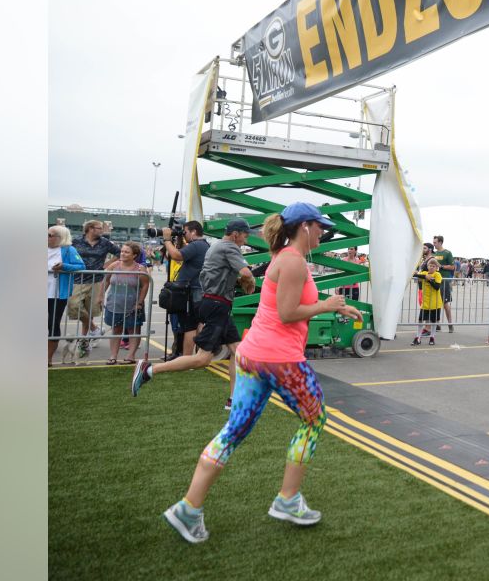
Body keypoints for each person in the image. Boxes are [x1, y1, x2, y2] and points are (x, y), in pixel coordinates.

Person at [159, 204, 359, 544]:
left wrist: (333, 304)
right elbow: (287, 312)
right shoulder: (293, 260)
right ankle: (288, 500)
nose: (323, 233)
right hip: (280, 359)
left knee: (233, 431)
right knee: (313, 420)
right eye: (319, 227)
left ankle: (189, 509)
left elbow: (290, 301)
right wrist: (326, 306)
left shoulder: (285, 256)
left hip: (253, 356)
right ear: (305, 226)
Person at [135, 219, 255, 407]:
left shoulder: (215, 246)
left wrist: (237, 282)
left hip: (214, 303)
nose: (245, 241)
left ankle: (234, 399)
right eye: (245, 236)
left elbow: (217, 275)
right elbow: (247, 273)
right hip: (217, 305)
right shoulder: (230, 247)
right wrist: (249, 281)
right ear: (235, 234)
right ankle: (149, 370)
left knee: (238, 351)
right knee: (202, 359)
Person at [68, 219, 122, 347]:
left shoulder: (105, 243)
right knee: (74, 305)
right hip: (77, 279)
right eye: (99, 228)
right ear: (90, 229)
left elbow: (119, 253)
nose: (102, 231)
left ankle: (84, 338)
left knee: (90, 310)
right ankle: (94, 329)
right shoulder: (75, 241)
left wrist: (108, 265)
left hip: (96, 280)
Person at [162, 221, 210, 357]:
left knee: (190, 326)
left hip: (192, 291)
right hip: (196, 289)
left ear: (193, 232)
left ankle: (187, 357)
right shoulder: (203, 245)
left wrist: (166, 239)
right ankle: (198, 355)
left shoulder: (197, 245)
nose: (184, 235)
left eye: (186, 232)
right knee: (198, 323)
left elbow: (176, 256)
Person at [99, 241, 150, 365]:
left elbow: (145, 285)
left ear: (134, 255)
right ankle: (113, 356)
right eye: (122, 251)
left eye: (127, 252)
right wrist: (100, 297)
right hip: (114, 304)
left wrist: (140, 302)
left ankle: (131, 356)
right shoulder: (114, 265)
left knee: (133, 331)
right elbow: (105, 281)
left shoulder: (140, 269)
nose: (123, 253)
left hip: (133, 306)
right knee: (116, 330)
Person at [48, 225, 86, 365]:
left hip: (57, 293)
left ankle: (48, 358)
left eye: (49, 235)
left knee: (52, 324)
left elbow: (81, 266)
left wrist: (64, 266)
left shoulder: (68, 250)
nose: (46, 237)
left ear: (60, 238)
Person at [412, 258, 444, 345]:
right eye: (430, 265)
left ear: (436, 267)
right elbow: (416, 275)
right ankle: (418, 337)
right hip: (425, 303)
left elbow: (437, 287)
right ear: (427, 266)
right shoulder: (424, 273)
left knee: (434, 321)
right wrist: (425, 276)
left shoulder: (437, 274)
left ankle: (432, 337)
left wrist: (429, 280)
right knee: (420, 320)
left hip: (435, 303)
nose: (431, 267)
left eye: (434, 266)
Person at [430, 235, 456, 332]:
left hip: (444, 281)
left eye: (435, 242)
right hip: (435, 280)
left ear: (440, 242)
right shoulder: (434, 254)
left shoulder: (447, 253)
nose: (434, 244)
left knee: (445, 303)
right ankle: (437, 324)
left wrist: (441, 267)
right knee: (436, 303)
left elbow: (452, 267)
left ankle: (450, 324)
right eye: (433, 242)